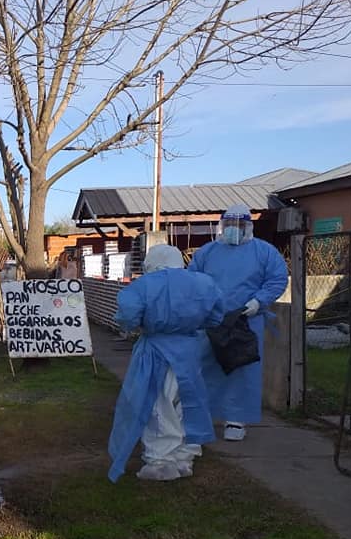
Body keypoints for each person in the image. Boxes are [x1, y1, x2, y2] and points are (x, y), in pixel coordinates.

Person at [108, 244, 225, 482]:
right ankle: (185, 456)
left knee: (158, 405)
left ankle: (161, 461)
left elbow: (127, 316)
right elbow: (216, 315)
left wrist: (133, 327)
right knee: (187, 402)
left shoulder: (143, 285)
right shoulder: (203, 283)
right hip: (190, 350)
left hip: (156, 350)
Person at [188, 204, 289, 441]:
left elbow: (277, 279)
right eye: (229, 225)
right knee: (206, 364)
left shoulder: (264, 252)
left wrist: (258, 302)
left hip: (246, 319)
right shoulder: (207, 252)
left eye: (239, 225)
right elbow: (193, 280)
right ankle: (203, 414)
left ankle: (236, 419)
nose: (234, 230)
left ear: (248, 227)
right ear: (222, 227)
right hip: (212, 319)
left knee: (242, 367)